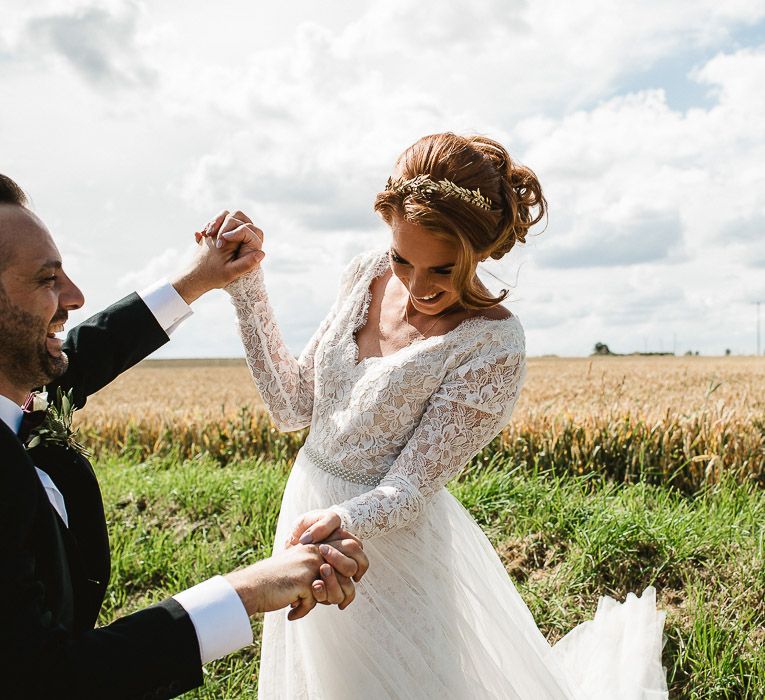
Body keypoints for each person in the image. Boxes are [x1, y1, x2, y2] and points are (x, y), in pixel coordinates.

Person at [210, 132, 668, 698]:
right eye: (403, 259)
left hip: (387, 542)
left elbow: (408, 487)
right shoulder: (366, 273)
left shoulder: (492, 345)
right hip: (306, 510)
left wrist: (338, 522)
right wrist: (245, 286)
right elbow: (290, 406)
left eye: (443, 270)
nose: (417, 286)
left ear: (482, 251)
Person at [0, 174, 369, 700]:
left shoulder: (17, 392)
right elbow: (44, 681)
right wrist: (246, 592)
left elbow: (88, 353)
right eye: (46, 279)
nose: (76, 296)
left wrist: (200, 278)